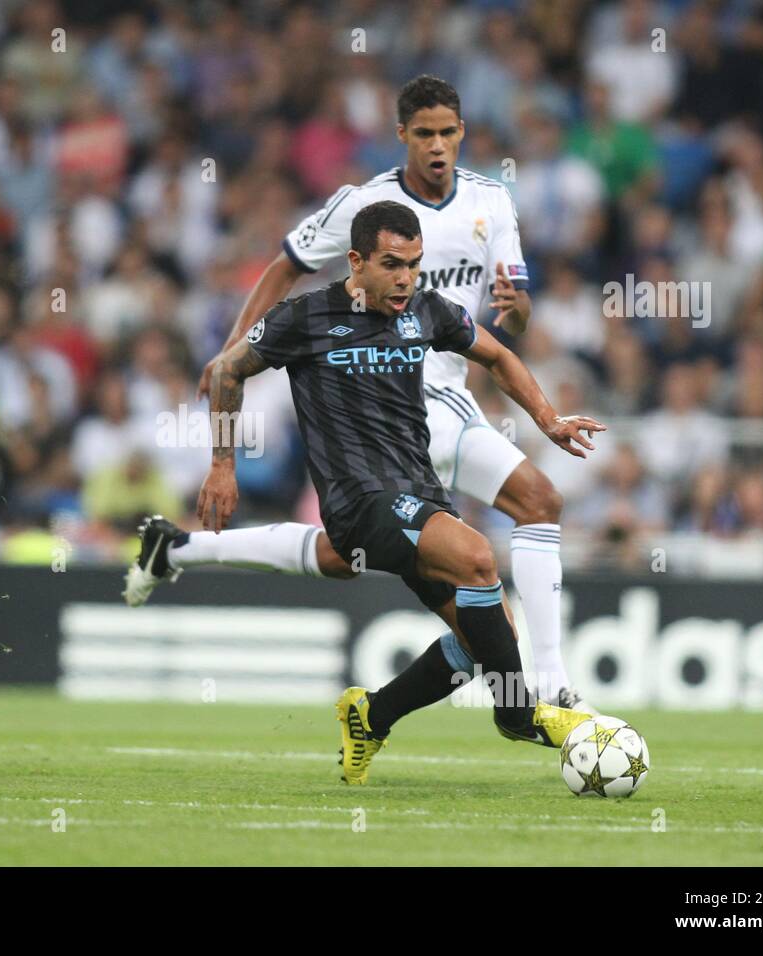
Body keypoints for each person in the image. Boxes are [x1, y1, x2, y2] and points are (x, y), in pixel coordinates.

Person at [141, 75, 588, 709]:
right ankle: (545, 687)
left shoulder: (493, 201)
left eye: (450, 132)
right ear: (403, 134)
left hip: (448, 398)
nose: (438, 146)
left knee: (362, 551)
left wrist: (518, 309)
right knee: (396, 546)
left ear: (464, 133)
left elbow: (509, 327)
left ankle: (182, 548)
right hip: (371, 403)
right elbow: (286, 265)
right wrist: (231, 348)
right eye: (425, 133)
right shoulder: (364, 206)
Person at [152, 200, 603, 785]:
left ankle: (373, 715)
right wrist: (221, 465)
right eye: (392, 265)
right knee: (477, 559)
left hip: (420, 492)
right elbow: (228, 370)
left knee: (486, 638)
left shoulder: (425, 310)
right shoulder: (306, 317)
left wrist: (547, 418)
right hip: (357, 504)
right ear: (356, 260)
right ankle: (518, 716)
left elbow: (496, 354)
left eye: (414, 265)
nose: (405, 279)